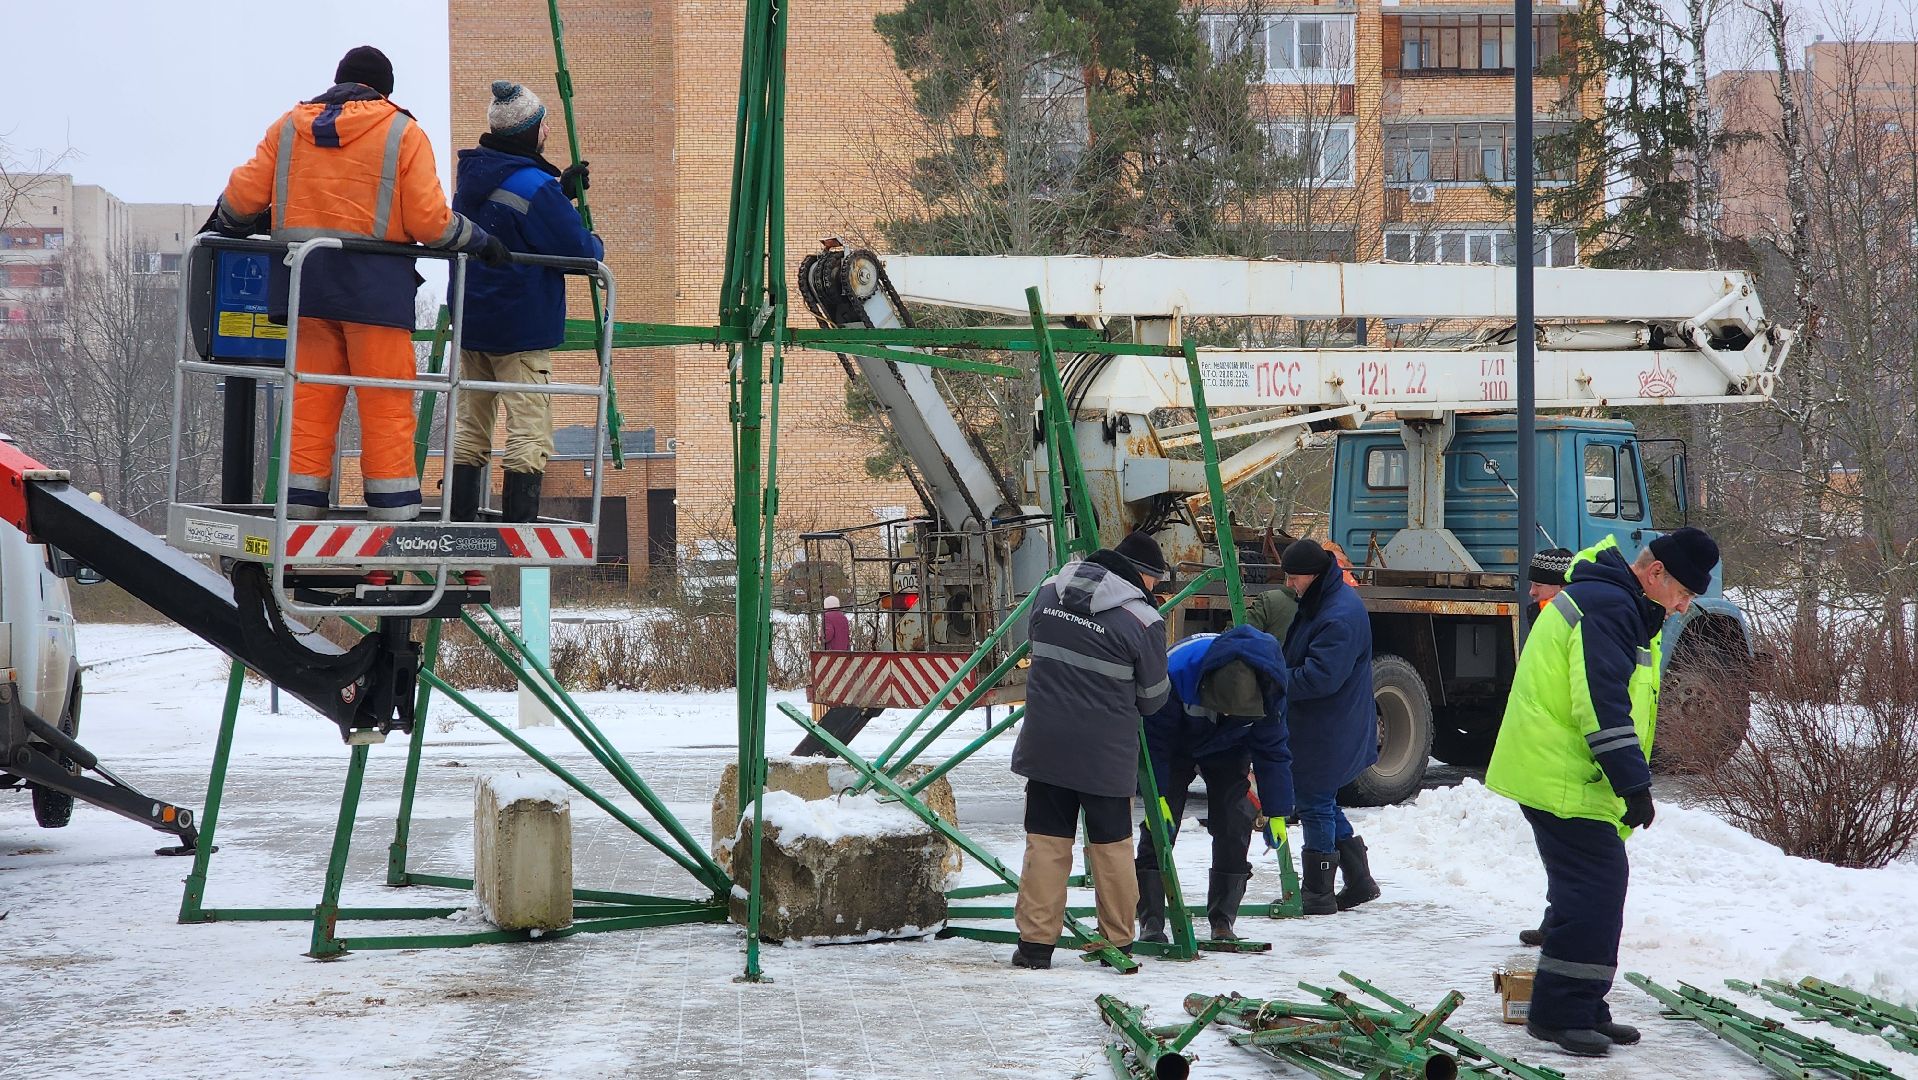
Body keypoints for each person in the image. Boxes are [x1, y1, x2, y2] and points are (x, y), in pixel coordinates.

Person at [213, 46, 505, 521]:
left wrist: (226, 220)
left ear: (337, 83)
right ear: (384, 90)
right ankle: (393, 508)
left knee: (309, 397)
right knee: (385, 399)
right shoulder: (401, 132)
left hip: (304, 288)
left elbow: (241, 202)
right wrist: (478, 239)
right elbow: (431, 223)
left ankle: (302, 502)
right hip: (376, 296)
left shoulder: (288, 127)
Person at [1485, 527, 1719, 1058]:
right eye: (1683, 594)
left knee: (1588, 893)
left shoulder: (1621, 602)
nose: (1682, 608)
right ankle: (1560, 1013)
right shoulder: (1610, 606)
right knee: (1593, 892)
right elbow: (1601, 702)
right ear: (1656, 574)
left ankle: (1583, 1005)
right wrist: (1633, 783)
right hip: (1563, 773)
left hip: (1566, 771)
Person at [1009, 531, 1171, 970]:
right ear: (1141, 575)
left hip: (1046, 748)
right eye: (1155, 581)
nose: (1155, 590)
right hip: (1105, 756)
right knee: (1111, 847)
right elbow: (1155, 699)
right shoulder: (1142, 621)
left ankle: (1035, 946)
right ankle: (1117, 941)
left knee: (1046, 844)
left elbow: (1036, 647)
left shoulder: (1047, 593)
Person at [448, 81, 604, 522]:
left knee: (471, 423)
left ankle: (460, 515)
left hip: (473, 319)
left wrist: (561, 194)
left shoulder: (474, 177)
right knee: (528, 428)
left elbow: (507, 222)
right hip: (519, 327)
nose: (549, 130)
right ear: (529, 132)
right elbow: (579, 253)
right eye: (543, 123)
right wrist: (593, 238)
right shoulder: (536, 187)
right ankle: (519, 523)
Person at [1135, 625, 1291, 944]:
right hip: (1175, 742)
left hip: (1228, 747)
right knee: (1162, 826)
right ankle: (1151, 918)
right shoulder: (1176, 671)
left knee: (1235, 822)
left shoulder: (1271, 689)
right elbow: (1155, 742)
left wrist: (1277, 811)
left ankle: (1223, 918)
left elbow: (1273, 753)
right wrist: (1158, 796)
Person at [1276, 538, 1380, 916]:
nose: (1290, 585)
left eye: (1294, 578)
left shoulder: (1339, 614)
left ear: (1314, 575)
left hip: (1329, 726)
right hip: (1327, 722)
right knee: (1317, 799)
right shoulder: (1326, 600)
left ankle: (1318, 893)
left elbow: (1320, 678)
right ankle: (1359, 880)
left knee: (1315, 802)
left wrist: (1275, 679)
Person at [1517, 544, 1576, 949]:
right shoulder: (1542, 618)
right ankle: (1557, 917)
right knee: (1553, 844)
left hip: (1562, 751)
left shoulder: (1570, 625)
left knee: (1566, 846)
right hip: (1541, 748)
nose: (1532, 592)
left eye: (1539, 585)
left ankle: (1562, 921)